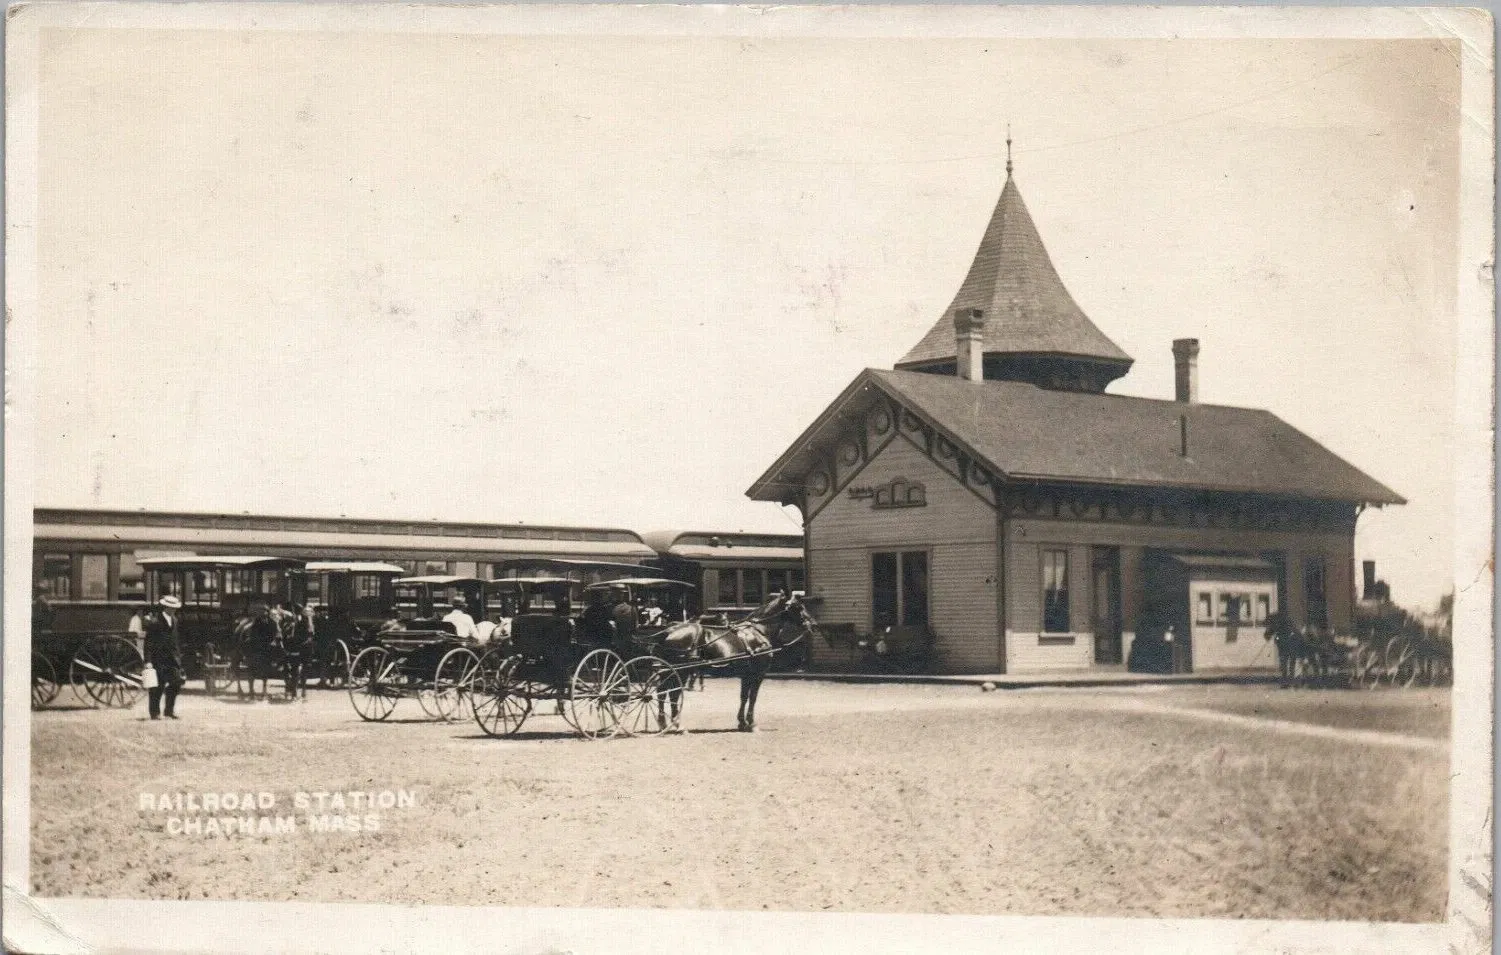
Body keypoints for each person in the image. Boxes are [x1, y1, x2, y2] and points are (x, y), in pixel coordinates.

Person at [142, 594, 185, 720]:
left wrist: (178, 657)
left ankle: (169, 711)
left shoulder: (175, 621)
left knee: (176, 683)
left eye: (175, 608)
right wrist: (148, 661)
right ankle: (154, 713)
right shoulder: (155, 622)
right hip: (158, 659)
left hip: (172, 659)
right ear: (165, 607)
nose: (173, 610)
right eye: (171, 608)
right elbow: (148, 643)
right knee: (157, 687)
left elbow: (175, 641)